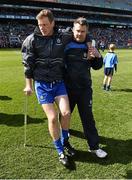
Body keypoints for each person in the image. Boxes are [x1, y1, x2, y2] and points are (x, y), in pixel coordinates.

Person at [21, 9, 75, 167]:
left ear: (53, 23)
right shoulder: (31, 39)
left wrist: (89, 42)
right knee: (52, 118)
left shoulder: (63, 36)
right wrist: (28, 85)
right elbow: (27, 64)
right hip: (42, 85)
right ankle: (59, 150)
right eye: (39, 24)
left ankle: (66, 142)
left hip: (59, 83)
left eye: (45, 24)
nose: (42, 27)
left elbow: (80, 33)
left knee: (66, 113)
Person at [64, 17, 107, 158]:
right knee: (64, 116)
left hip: (84, 89)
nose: (79, 34)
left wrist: (98, 56)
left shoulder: (90, 46)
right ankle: (64, 141)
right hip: (67, 89)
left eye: (82, 31)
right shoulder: (66, 43)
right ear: (73, 30)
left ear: (86, 31)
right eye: (77, 31)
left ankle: (93, 147)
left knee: (88, 118)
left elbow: (97, 66)